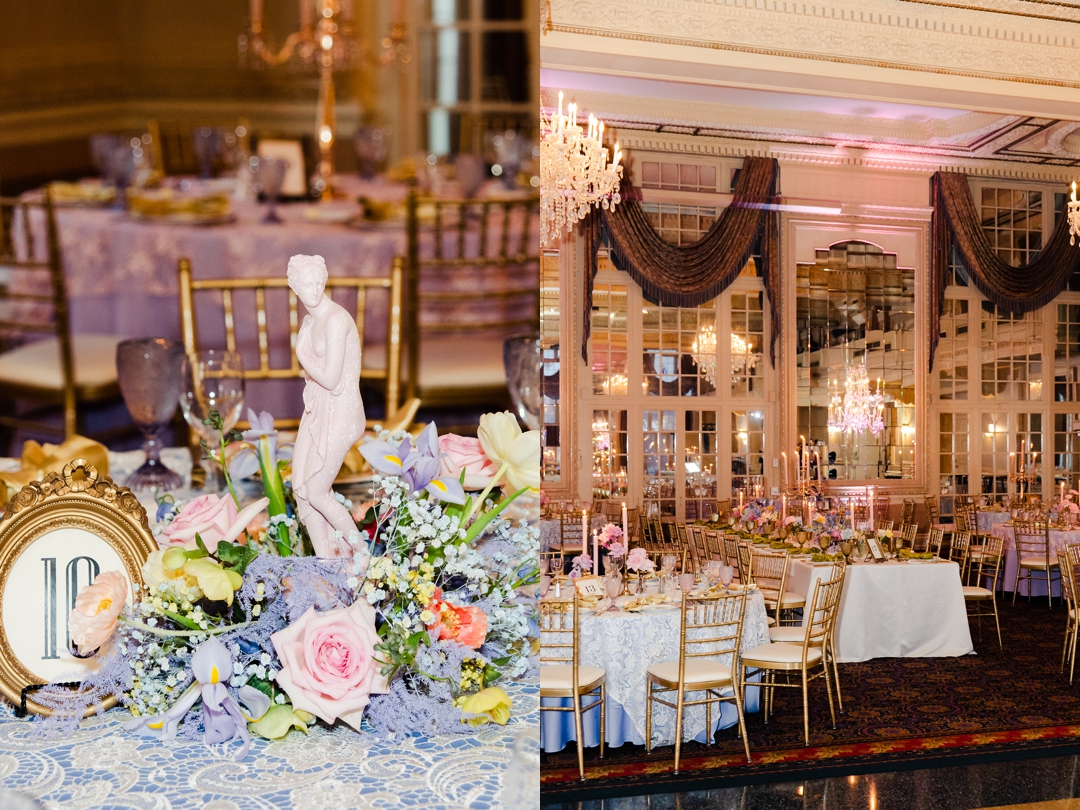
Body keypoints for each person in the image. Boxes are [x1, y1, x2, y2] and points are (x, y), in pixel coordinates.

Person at [287, 254, 363, 558]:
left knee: (317, 490)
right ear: (295, 287)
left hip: (341, 410)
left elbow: (331, 379)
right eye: (307, 284)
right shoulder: (310, 321)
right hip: (318, 408)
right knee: (303, 490)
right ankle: (327, 561)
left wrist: (301, 354)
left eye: (319, 281)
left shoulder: (336, 320)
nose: (315, 289)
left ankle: (363, 556)